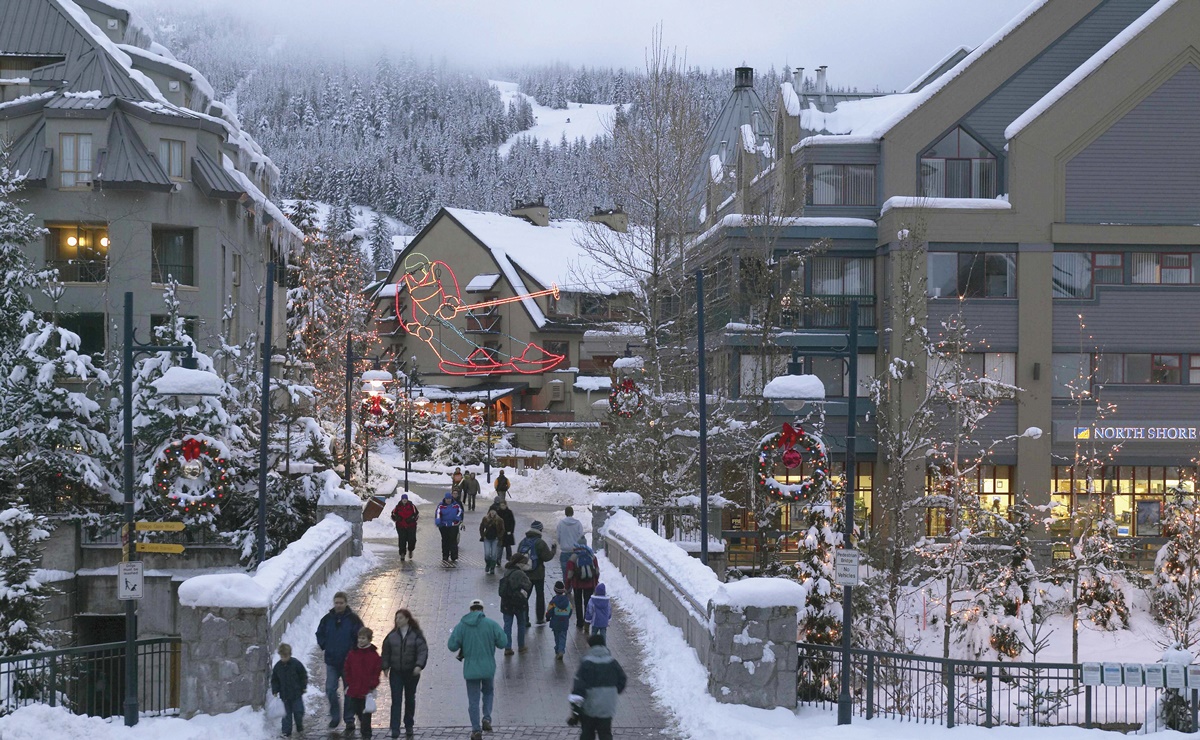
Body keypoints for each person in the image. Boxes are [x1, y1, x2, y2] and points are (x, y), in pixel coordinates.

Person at [447, 599, 507, 740]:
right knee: (488, 692)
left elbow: (452, 646)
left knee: (473, 700)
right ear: (482, 610)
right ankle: (486, 718)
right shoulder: (491, 624)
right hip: (488, 668)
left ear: (470, 610)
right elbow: (503, 642)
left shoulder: (462, 625)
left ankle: (476, 730)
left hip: (471, 670)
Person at [316, 592, 364, 731]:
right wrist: (324, 645)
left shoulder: (353, 620)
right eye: (336, 602)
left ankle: (349, 719)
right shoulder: (327, 619)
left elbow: (361, 635)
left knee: (349, 691)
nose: (338, 605)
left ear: (346, 603)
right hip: (332, 661)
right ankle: (335, 716)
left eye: (341, 603)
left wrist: (355, 651)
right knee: (330, 689)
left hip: (348, 662)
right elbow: (320, 633)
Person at [568, 633, 627, 740]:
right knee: (605, 733)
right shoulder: (612, 662)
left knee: (587, 733)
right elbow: (622, 679)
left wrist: (575, 709)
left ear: (591, 646)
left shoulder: (586, 663)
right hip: (607, 706)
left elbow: (579, 687)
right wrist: (612, 692)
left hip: (590, 707)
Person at [381, 609, 428, 739]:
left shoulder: (416, 635)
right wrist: (385, 666)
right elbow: (386, 652)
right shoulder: (392, 636)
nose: (398, 620)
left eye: (400, 618)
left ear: (407, 619)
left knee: (410, 698)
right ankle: (395, 728)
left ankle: (409, 725)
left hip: (411, 672)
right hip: (396, 672)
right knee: (396, 700)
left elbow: (422, 651)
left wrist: (419, 665)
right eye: (396, 618)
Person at [343, 626, 382, 738]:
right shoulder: (353, 653)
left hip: (366, 691)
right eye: (359, 638)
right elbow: (347, 668)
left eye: (363, 638)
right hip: (354, 691)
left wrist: (372, 685)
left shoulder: (374, 655)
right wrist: (350, 682)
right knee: (358, 714)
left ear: (369, 639)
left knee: (365, 718)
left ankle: (366, 735)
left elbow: (376, 672)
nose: (360, 640)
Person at [517, 521, 557, 624]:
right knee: (540, 595)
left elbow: (518, 556)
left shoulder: (523, 541)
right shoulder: (540, 542)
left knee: (525, 595)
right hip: (538, 574)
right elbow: (547, 557)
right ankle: (540, 618)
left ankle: (525, 619)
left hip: (525, 574)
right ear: (540, 530)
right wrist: (553, 550)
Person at [498, 553, 533, 656]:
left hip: (506, 603)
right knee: (521, 624)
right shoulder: (520, 573)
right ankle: (521, 646)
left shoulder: (507, 571)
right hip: (518, 603)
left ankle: (507, 647)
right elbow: (528, 584)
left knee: (507, 625)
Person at [271, 643, 308, 737]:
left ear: (290, 655)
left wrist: (303, 686)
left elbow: (303, 675)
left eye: (285, 656)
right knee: (286, 715)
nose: (283, 658)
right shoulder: (278, 667)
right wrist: (275, 690)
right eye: (282, 656)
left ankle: (299, 726)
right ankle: (286, 731)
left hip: (296, 694)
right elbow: (274, 679)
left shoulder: (296, 664)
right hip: (285, 695)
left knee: (298, 711)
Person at [565, 543, 600, 632]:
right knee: (588, 603)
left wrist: (567, 586)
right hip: (589, 584)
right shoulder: (592, 556)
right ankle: (586, 622)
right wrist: (595, 583)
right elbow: (596, 571)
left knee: (578, 603)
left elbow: (569, 574)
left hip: (577, 585)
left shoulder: (573, 557)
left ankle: (579, 622)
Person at [545, 580, 574, 661]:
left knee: (556, 636)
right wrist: (567, 617)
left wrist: (547, 617)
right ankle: (561, 650)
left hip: (555, 622)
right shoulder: (567, 602)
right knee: (563, 636)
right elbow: (571, 610)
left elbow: (549, 611)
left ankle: (557, 648)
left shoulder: (553, 602)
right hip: (564, 622)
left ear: (555, 590)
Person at [435, 492, 464, 564]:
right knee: (445, 540)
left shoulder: (456, 505)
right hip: (444, 525)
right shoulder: (441, 506)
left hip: (453, 525)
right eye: (447, 499)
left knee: (453, 540)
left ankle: (454, 556)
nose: (448, 500)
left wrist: (458, 518)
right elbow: (438, 513)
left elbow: (460, 511)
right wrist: (438, 521)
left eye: (449, 499)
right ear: (445, 499)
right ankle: (445, 555)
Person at [556, 506, 585, 578]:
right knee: (576, 573)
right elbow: (581, 536)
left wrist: (562, 544)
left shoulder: (561, 523)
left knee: (565, 574)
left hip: (564, 551)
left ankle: (567, 588)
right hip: (575, 552)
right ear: (573, 513)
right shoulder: (578, 523)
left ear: (565, 513)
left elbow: (558, 537)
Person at [390, 494, 419, 561]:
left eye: (405, 499)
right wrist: (397, 518)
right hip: (401, 526)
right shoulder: (398, 507)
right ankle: (402, 553)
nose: (404, 500)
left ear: (407, 499)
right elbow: (393, 514)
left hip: (411, 526)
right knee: (402, 540)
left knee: (412, 539)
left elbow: (416, 514)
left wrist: (411, 519)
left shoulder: (412, 506)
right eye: (403, 499)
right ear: (401, 499)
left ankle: (410, 550)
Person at [479, 508, 504, 575]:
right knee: (487, 554)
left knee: (493, 554)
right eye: (491, 512)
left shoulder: (499, 520)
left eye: (494, 512)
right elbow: (481, 527)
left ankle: (492, 567)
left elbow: (502, 529)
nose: (492, 514)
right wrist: (482, 536)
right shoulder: (485, 519)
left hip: (495, 539)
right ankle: (488, 564)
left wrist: (499, 537)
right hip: (487, 538)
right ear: (489, 512)